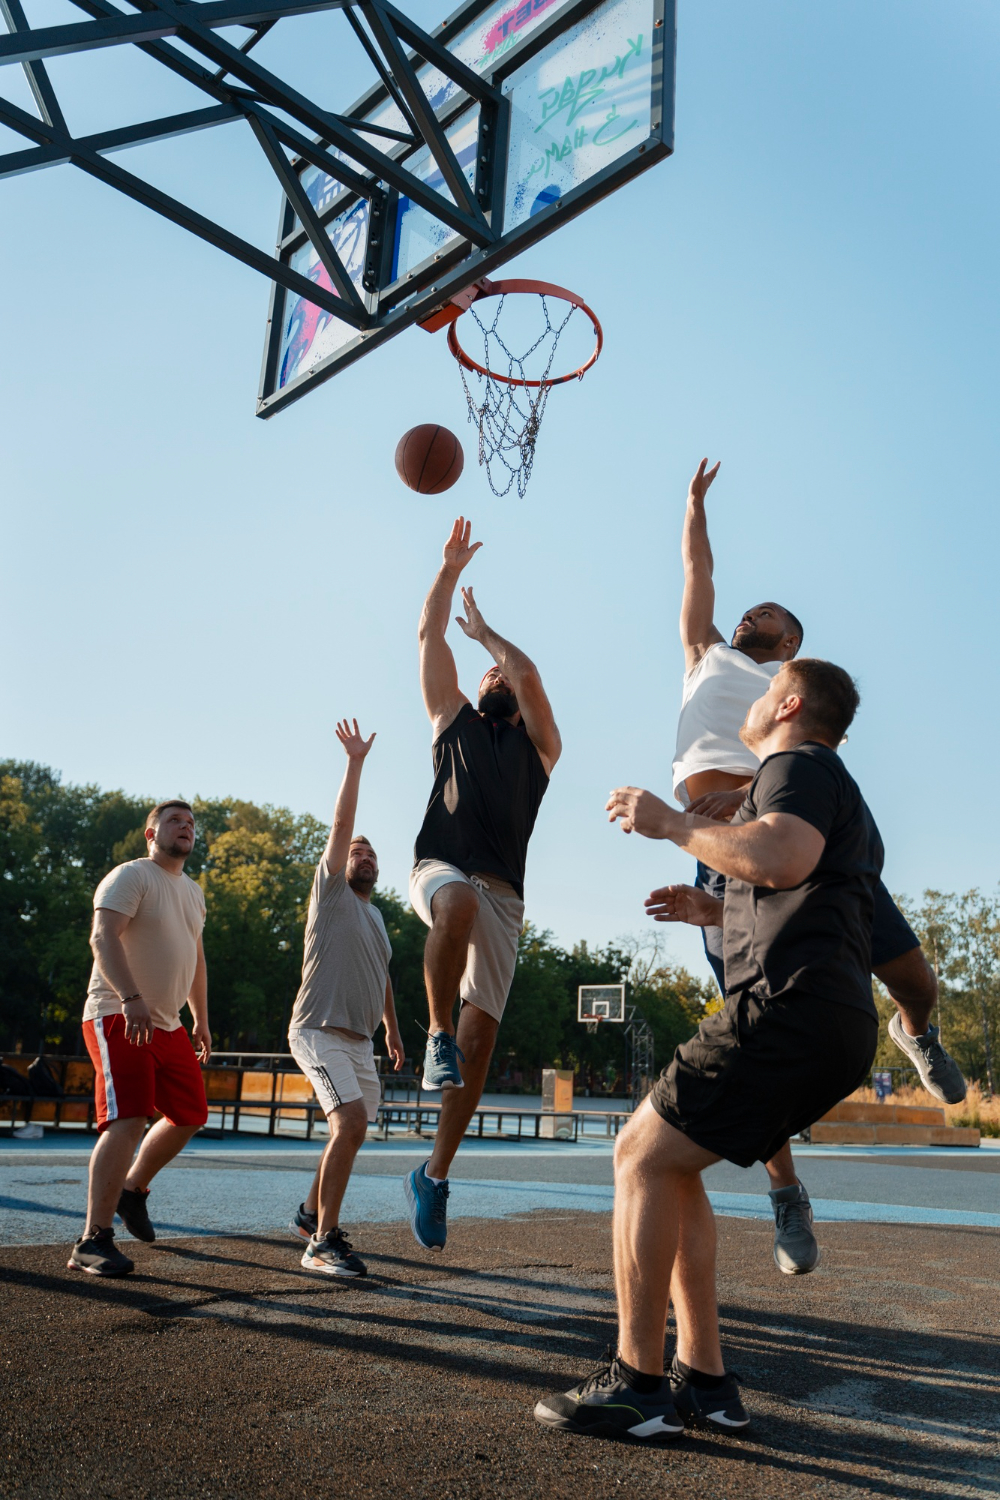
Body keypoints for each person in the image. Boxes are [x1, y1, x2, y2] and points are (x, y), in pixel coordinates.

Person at [536, 659, 882, 1440]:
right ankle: (707, 1381)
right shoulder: (829, 787)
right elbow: (804, 896)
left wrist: (671, 824)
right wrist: (713, 909)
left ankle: (637, 1385)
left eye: (767, 690)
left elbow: (783, 856)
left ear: (789, 704)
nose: (755, 699)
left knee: (636, 1155)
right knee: (673, 1161)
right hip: (831, 1021)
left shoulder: (797, 763)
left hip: (786, 1012)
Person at [671, 457, 965, 1273]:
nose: (746, 615)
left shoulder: (789, 699)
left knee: (912, 974)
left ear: (790, 646)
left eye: (765, 613)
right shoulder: (706, 658)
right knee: (754, 1014)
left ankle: (918, 1030)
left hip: (797, 819)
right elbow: (698, 572)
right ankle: (785, 1192)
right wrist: (693, 506)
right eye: (747, 609)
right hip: (732, 851)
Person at [404, 518, 561, 1251]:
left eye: (502, 678)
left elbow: (525, 674)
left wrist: (490, 636)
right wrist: (445, 573)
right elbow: (428, 639)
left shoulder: (541, 749)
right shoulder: (453, 720)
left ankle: (433, 1175)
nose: (496, 678)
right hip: (442, 871)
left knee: (483, 1041)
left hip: (506, 896)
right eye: (487, 676)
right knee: (456, 904)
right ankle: (435, 1032)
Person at [70, 801, 211, 1277]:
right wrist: (129, 997)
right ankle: (93, 1239)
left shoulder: (193, 893)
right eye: (175, 821)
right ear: (151, 833)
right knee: (128, 1119)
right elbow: (102, 936)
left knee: (190, 1113)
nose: (185, 828)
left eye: (190, 823)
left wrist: (202, 1020)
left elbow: (196, 960)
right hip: (118, 1014)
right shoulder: (130, 876)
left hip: (168, 1025)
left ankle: (133, 1190)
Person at [288, 719, 405, 1277]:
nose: (363, 856)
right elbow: (341, 822)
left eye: (371, 854)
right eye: (356, 851)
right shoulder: (330, 891)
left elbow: (382, 975)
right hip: (318, 1028)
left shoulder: (377, 916)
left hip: (361, 1040)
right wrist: (355, 762)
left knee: (350, 1130)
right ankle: (321, 1243)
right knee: (351, 1123)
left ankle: (311, 1212)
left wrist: (394, 1030)